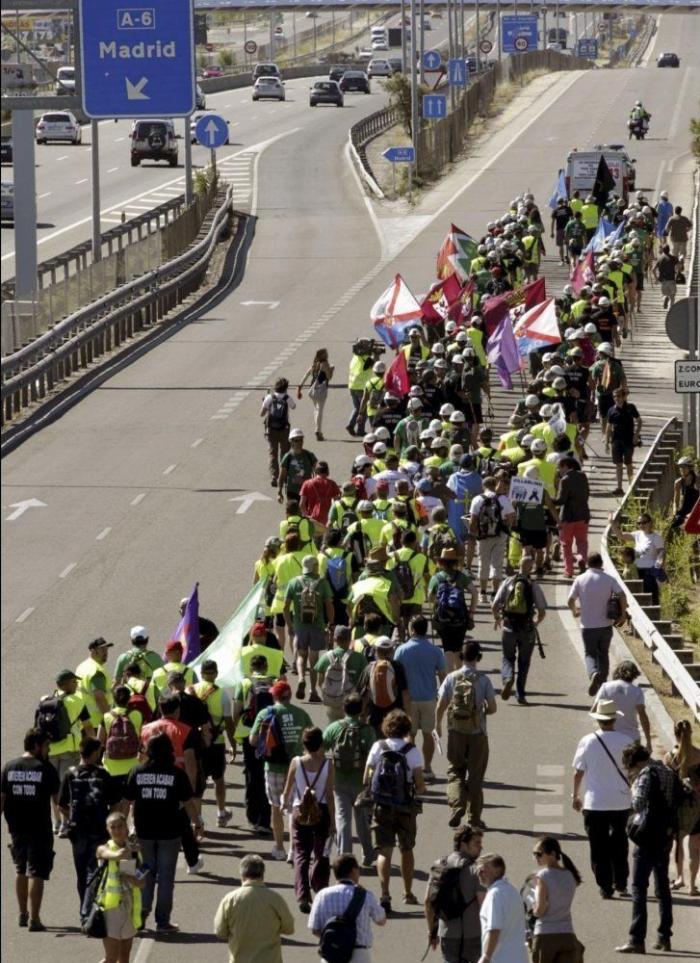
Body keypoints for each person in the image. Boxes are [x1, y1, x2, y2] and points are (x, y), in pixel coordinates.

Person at [123, 731, 199, 933]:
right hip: (170, 833)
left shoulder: (137, 771)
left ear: (148, 750)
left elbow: (126, 801)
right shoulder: (176, 774)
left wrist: (121, 825)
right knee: (166, 878)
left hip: (143, 833)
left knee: (145, 875)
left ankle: (140, 915)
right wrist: (197, 823)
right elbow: (189, 803)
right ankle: (163, 921)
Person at [615, 743, 677, 954]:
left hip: (647, 837)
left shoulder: (645, 775)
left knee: (639, 888)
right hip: (665, 835)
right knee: (663, 888)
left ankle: (636, 939)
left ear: (636, 763)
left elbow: (639, 804)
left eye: (630, 767)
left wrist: (633, 790)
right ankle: (664, 936)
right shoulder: (666, 770)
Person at [364, 709, 426, 913]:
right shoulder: (412, 751)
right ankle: (408, 893)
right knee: (406, 850)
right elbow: (420, 784)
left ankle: (385, 894)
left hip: (381, 806)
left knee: (384, 851)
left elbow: (366, 778)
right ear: (407, 728)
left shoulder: (378, 747)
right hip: (405, 807)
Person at [571, 699, 632, 900]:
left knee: (598, 847)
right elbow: (633, 770)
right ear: (614, 719)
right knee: (620, 843)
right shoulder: (626, 740)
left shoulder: (587, 741)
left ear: (598, 720)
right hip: (621, 801)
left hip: (595, 802)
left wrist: (575, 795)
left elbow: (578, 772)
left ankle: (605, 886)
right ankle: (621, 882)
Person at [1, 729, 60, 931]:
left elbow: (2, 799)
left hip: (16, 828)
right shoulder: (45, 769)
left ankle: (22, 914)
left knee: (20, 869)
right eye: (46, 746)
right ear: (36, 746)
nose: (48, 750)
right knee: (37, 873)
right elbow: (58, 800)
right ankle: (35, 919)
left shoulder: (9, 767)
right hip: (40, 828)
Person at [58, 735, 122, 919]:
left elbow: (62, 804)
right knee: (95, 872)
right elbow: (115, 802)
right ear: (94, 753)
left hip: (78, 831)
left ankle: (84, 910)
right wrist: (110, 823)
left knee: (81, 872)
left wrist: (71, 818)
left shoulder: (70, 774)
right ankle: (90, 911)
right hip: (99, 830)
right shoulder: (103, 774)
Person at [436, 642, 497, 830]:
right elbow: (493, 708)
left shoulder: (451, 678)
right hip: (477, 733)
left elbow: (441, 705)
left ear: (461, 656)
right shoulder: (484, 680)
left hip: (456, 732)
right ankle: (474, 818)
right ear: (478, 657)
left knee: (455, 770)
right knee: (476, 776)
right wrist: (483, 709)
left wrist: (437, 725)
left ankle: (457, 805)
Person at [249, 680, 312, 861]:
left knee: (276, 807)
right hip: (296, 767)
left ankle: (279, 848)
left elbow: (253, 740)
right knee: (295, 808)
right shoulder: (301, 713)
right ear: (289, 695)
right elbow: (311, 736)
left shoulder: (265, 713)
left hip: (273, 767)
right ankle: (294, 849)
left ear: (274, 696)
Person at [282, 726, 335, 913]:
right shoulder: (328, 764)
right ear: (320, 744)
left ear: (303, 744)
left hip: (300, 810)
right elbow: (329, 795)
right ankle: (320, 887)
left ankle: (303, 895)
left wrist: (284, 804)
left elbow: (288, 789)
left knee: (301, 854)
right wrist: (333, 821)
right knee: (321, 853)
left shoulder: (296, 762)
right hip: (322, 810)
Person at [323, 693, 376, 868]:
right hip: (361, 782)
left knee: (342, 819)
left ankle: (345, 856)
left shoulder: (334, 728)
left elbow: (321, 748)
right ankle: (368, 854)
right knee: (362, 821)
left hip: (339, 781)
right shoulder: (367, 731)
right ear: (361, 710)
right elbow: (373, 758)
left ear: (343, 709)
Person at [214, 854, 295, 963]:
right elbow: (289, 928)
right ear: (262, 875)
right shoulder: (275, 898)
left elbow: (220, 931)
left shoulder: (230, 899)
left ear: (242, 875)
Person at [42, 667, 93, 836]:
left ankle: (55, 823)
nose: (76, 684)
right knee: (67, 789)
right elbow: (88, 726)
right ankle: (65, 824)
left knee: (53, 789)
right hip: (69, 750)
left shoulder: (47, 700)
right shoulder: (77, 701)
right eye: (74, 681)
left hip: (50, 750)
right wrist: (93, 746)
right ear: (66, 684)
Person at [394, 614, 446, 779]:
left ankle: (410, 768)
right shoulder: (435, 651)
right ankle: (427, 768)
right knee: (428, 734)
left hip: (407, 699)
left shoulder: (401, 650)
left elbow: (395, 674)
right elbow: (443, 676)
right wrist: (443, 698)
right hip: (429, 698)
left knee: (409, 735)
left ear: (412, 629)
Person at [309, 852, 387, 962]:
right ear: (353, 871)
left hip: (331, 954)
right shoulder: (365, 895)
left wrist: (336, 940)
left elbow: (314, 929)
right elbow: (381, 920)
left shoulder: (322, 895)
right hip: (359, 954)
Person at [424, 824, 485, 963]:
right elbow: (484, 906)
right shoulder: (476, 870)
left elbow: (428, 901)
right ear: (463, 844)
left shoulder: (439, 866)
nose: (481, 847)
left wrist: (432, 931)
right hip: (473, 935)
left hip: (447, 933)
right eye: (477, 843)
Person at [567, 553, 626, 696]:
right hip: (605, 625)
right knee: (603, 653)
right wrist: (623, 614)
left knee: (590, 654)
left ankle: (593, 673)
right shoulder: (609, 579)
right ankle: (602, 684)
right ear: (601, 563)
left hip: (587, 625)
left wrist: (575, 611)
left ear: (588, 563)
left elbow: (570, 600)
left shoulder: (580, 579)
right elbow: (622, 595)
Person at [492, 557, 547, 706]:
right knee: (524, 662)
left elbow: (494, 605)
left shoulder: (507, 582)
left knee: (507, 657)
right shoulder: (533, 585)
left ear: (519, 566)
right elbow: (542, 611)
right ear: (531, 568)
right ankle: (520, 694)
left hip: (508, 627)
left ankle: (508, 678)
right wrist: (535, 623)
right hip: (527, 629)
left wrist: (497, 618)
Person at [191, 659, 237, 828]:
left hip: (198, 743)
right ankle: (221, 814)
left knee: (199, 784)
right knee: (219, 780)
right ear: (216, 674)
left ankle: (198, 819)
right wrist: (233, 744)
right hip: (216, 743)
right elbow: (229, 723)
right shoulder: (222, 694)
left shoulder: (192, 690)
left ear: (201, 673)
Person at [232, 654, 275, 834]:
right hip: (270, 736)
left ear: (251, 668)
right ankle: (265, 821)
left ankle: (252, 819)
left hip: (248, 735)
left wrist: (239, 728)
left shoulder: (244, 683)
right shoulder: (273, 683)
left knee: (252, 776)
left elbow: (236, 711)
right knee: (267, 775)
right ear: (265, 667)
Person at [95, 811, 145, 963]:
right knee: (111, 958)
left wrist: (131, 878)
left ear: (126, 828)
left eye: (120, 826)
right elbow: (113, 855)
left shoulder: (136, 853)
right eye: (113, 827)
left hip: (129, 908)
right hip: (110, 910)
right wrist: (126, 851)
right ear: (107, 829)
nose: (117, 830)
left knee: (124, 958)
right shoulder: (103, 848)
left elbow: (143, 883)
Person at [284, 554, 334, 703]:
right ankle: (313, 691)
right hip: (317, 626)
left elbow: (285, 607)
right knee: (314, 659)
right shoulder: (322, 583)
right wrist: (330, 622)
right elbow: (329, 605)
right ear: (315, 567)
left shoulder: (294, 582)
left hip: (300, 626)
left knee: (301, 655)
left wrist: (290, 625)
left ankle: (301, 678)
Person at [530, 836, 584, 963]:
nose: (536, 857)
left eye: (539, 854)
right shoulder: (570, 875)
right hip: (567, 935)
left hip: (545, 936)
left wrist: (533, 909)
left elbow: (540, 910)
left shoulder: (543, 875)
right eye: (534, 854)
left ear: (553, 854)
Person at [664, 720, 700, 895]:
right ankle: (692, 886)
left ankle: (679, 878)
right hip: (697, 806)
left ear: (675, 733)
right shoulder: (699, 755)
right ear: (691, 733)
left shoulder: (670, 756)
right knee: (695, 847)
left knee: (678, 844)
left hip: (678, 807)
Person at [429, 547, 478, 674]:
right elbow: (474, 593)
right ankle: (460, 675)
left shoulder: (436, 578)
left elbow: (430, 597)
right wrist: (471, 614)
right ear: (455, 562)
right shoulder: (461, 577)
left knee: (447, 647)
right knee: (458, 647)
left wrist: (437, 606)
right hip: (460, 618)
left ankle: (450, 677)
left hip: (443, 618)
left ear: (441, 562)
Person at [468, 477, 515, 603]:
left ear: (483, 486)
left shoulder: (477, 499)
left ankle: (483, 593)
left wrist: (473, 532)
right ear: (495, 485)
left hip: (483, 536)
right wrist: (505, 526)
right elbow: (511, 517)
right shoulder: (503, 499)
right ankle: (494, 593)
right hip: (499, 535)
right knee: (497, 564)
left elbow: (473, 520)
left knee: (483, 563)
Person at [476, 853, 528, 963]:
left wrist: (486, 956)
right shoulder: (512, 890)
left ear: (497, 870)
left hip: (500, 959)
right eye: (478, 871)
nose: (479, 874)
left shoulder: (494, 894)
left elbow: (494, 928)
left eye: (482, 870)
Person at [356, 636, 410, 734]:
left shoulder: (369, 669)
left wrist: (361, 716)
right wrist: (407, 713)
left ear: (375, 651)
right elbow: (405, 693)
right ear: (392, 651)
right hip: (395, 718)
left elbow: (363, 695)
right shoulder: (398, 667)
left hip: (375, 717)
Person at [610, 512, 665, 606]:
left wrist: (659, 565)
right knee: (638, 599)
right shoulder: (638, 534)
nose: (641, 525)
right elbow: (621, 536)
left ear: (650, 522)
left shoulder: (656, 537)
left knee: (651, 599)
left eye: (644, 522)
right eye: (639, 523)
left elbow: (662, 552)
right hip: (636, 570)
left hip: (649, 572)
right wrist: (612, 523)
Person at [593, 661, 651, 749]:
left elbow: (594, 710)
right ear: (634, 675)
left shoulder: (605, 687)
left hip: (609, 737)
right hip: (631, 737)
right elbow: (643, 716)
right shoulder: (637, 691)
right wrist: (648, 741)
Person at [98, 684, 143, 797]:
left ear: (114, 699)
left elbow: (99, 741)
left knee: (114, 801)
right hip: (133, 766)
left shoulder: (106, 716)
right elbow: (142, 738)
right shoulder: (137, 714)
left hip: (111, 767)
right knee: (131, 799)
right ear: (129, 698)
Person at [316, 625, 367, 723]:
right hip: (353, 703)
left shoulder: (326, 657)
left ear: (335, 639)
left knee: (333, 726)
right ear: (350, 639)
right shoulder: (359, 658)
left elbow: (320, 682)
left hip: (333, 702)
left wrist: (331, 692)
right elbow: (365, 681)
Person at [555, 457, 591, 580]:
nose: (558, 470)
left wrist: (548, 499)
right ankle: (582, 559)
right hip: (583, 515)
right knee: (582, 541)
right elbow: (587, 494)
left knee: (566, 544)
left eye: (559, 467)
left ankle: (568, 570)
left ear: (565, 466)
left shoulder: (565, 480)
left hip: (568, 517)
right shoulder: (583, 476)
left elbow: (561, 500)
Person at [605, 387, 642, 496]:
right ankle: (619, 487)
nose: (616, 398)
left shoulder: (630, 408)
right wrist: (606, 442)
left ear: (623, 397)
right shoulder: (611, 410)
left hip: (628, 440)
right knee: (618, 464)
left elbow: (639, 421)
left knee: (628, 463)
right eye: (614, 397)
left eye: (618, 396)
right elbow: (608, 427)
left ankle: (631, 487)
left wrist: (636, 434)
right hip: (616, 440)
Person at [261, 376, 296, 487]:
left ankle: (274, 476)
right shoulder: (287, 397)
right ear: (285, 388)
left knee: (273, 453)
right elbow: (294, 406)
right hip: (284, 429)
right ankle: (284, 476)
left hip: (271, 429)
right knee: (285, 452)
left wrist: (265, 402)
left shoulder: (270, 397)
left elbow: (261, 413)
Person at [76, 636, 114, 728]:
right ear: (93, 651)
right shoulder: (96, 672)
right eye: (102, 649)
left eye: (106, 649)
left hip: (83, 722)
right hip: (97, 723)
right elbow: (99, 697)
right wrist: (111, 721)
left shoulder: (82, 666)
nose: (105, 652)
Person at [298, 347, 334, 441]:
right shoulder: (324, 364)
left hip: (312, 390)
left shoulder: (314, 364)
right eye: (326, 353)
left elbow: (306, 375)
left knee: (316, 409)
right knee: (320, 410)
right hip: (321, 390)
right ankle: (318, 430)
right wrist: (331, 370)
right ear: (323, 355)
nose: (328, 354)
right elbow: (329, 377)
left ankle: (317, 428)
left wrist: (300, 387)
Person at [278, 427, 317, 505]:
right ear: (291, 442)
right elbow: (282, 476)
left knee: (305, 512)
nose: (299, 443)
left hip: (306, 491)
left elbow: (317, 472)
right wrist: (279, 492)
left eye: (301, 440)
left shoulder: (309, 455)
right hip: (292, 491)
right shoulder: (288, 457)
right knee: (293, 512)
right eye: (296, 440)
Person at [300, 461, 341, 531]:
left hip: (313, 520)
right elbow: (336, 504)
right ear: (327, 472)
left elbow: (301, 504)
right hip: (328, 521)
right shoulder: (332, 484)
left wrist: (306, 516)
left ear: (315, 471)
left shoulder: (307, 484)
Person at [670, 456, 699, 533]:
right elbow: (675, 501)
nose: (681, 469)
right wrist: (675, 511)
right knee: (671, 528)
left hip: (696, 511)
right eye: (680, 467)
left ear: (690, 468)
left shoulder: (698, 480)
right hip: (684, 511)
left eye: (683, 467)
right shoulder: (678, 483)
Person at [653, 244, 679, 309]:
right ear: (669, 250)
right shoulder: (674, 258)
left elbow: (653, 269)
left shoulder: (659, 259)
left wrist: (656, 279)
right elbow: (679, 266)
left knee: (664, 294)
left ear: (663, 250)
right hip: (671, 279)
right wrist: (677, 272)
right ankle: (671, 310)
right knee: (672, 296)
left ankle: (665, 297)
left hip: (663, 280)